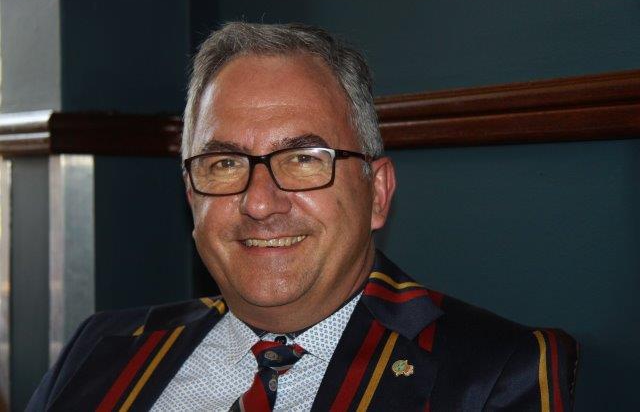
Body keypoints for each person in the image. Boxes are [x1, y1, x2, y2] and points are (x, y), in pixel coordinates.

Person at [28, 22, 577, 411]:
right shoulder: (100, 347)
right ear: (191, 196)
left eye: (303, 159)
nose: (260, 202)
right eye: (225, 163)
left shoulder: (492, 372)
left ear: (377, 193)